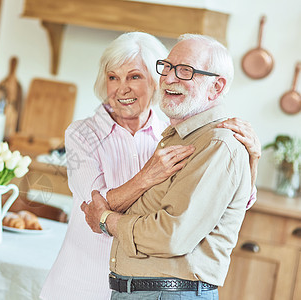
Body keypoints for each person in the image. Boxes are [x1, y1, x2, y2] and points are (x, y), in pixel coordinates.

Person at [40, 32, 261, 300]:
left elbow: (217, 202)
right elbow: (93, 209)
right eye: (113, 77)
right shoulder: (81, 134)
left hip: (141, 283)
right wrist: (146, 176)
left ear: (154, 83)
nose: (122, 88)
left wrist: (251, 160)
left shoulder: (172, 132)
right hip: (84, 279)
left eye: (135, 77)